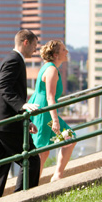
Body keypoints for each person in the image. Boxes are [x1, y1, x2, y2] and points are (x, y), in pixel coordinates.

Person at [0, 29, 42, 202]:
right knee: (31, 160)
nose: (35, 50)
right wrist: (23, 106)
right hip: (7, 124)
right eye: (34, 45)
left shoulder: (11, 58)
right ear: (26, 42)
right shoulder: (15, 60)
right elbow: (3, 87)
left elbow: (3, 89)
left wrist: (26, 118)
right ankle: (21, 200)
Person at [27, 40, 77, 182]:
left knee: (57, 144)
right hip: (44, 112)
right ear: (55, 54)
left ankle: (55, 176)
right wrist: (55, 120)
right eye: (63, 50)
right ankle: (33, 183)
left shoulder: (48, 67)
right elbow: (50, 97)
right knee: (42, 150)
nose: (66, 52)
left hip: (42, 110)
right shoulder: (52, 70)